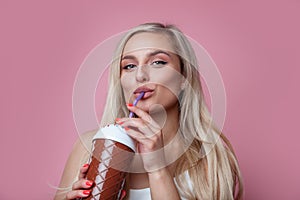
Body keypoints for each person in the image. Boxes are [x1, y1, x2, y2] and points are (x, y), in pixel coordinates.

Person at [55, 22, 244, 200]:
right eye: (129, 66)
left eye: (158, 62)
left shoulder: (210, 159)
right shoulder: (89, 146)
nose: (140, 75)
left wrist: (158, 169)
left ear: (184, 78)